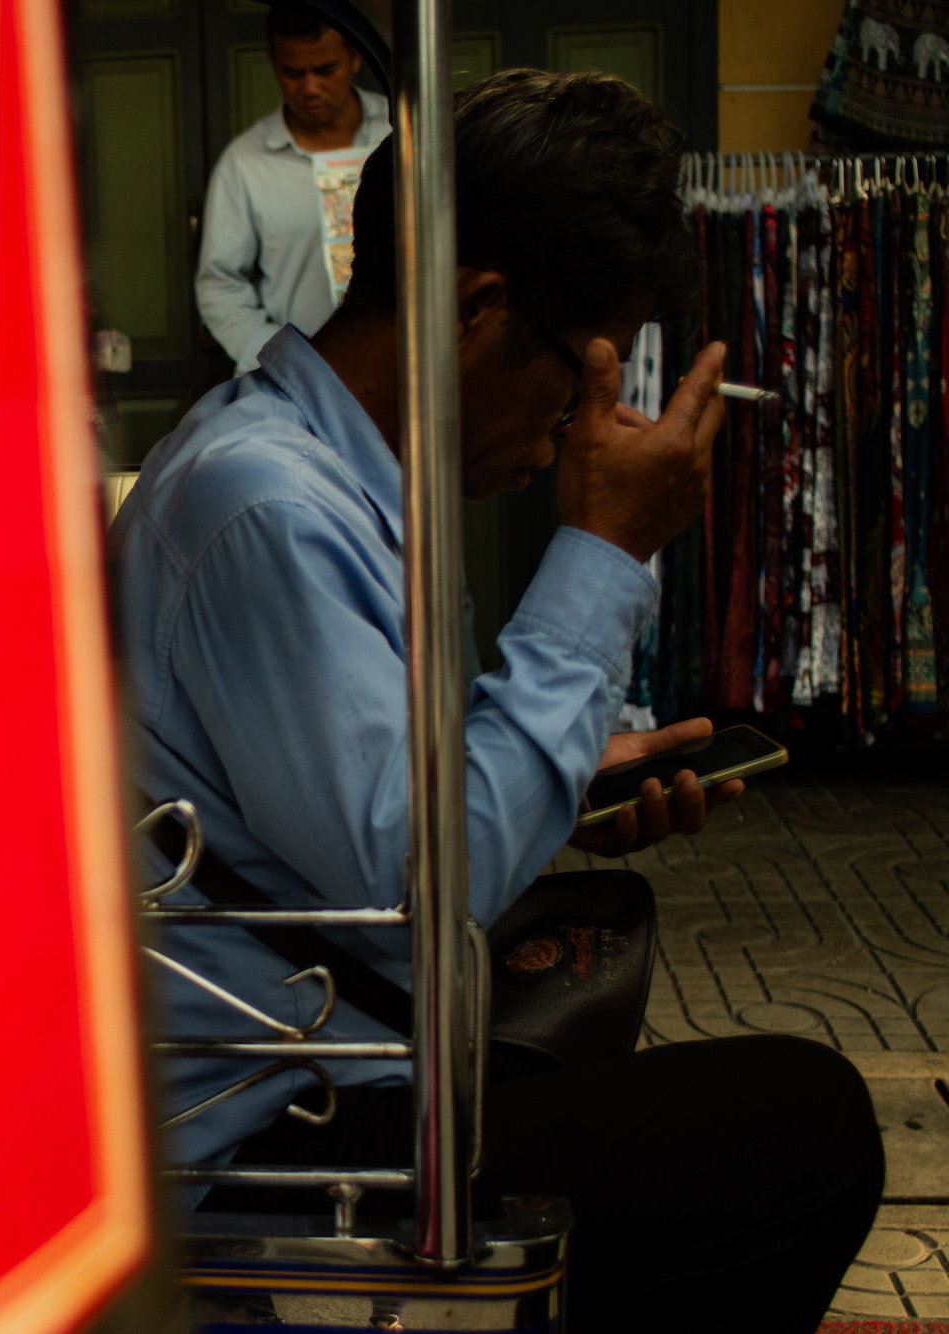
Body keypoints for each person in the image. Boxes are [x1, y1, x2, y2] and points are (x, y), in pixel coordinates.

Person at [112, 70, 881, 1333]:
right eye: (580, 376)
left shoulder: (333, 480)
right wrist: (603, 550)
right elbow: (424, 868)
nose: (581, 421)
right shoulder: (265, 506)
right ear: (475, 311)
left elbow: (364, 806)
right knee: (805, 1125)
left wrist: (560, 786)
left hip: (346, 1046)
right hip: (272, 1130)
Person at [194, 1, 391, 373]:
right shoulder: (244, 162)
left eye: (325, 70)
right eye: (293, 73)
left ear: (354, 58)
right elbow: (220, 285)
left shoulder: (403, 134)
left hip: (400, 365)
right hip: (293, 381)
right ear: (273, 61)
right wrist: (278, 356)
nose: (310, 88)